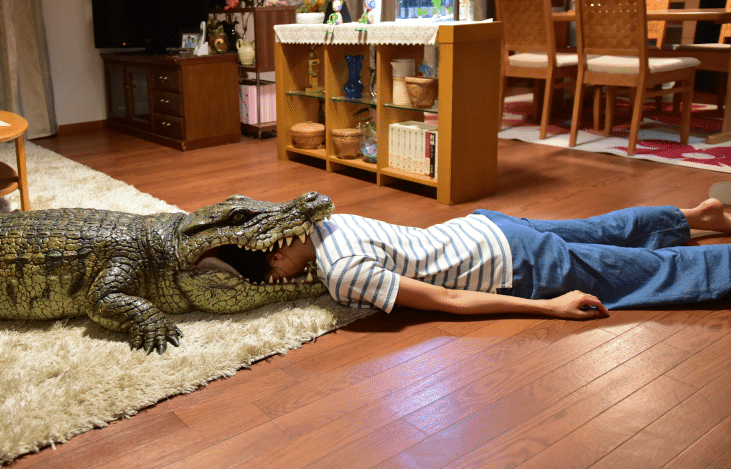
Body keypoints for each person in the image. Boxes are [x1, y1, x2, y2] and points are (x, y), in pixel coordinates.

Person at [222, 199, 731, 320]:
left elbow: (448, 298)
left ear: (273, 260)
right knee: (602, 229)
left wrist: (550, 309)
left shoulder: (340, 274)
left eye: (268, 275)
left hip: (516, 262)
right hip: (486, 224)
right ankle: (698, 214)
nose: (278, 281)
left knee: (647, 274)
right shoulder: (329, 217)